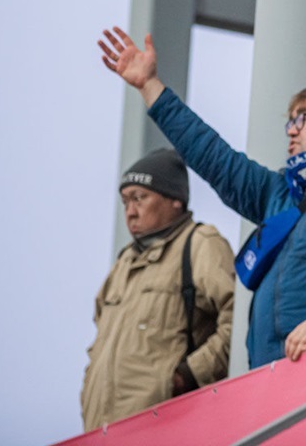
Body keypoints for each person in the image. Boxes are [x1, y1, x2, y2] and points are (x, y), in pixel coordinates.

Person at [97, 27, 306, 367]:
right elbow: (212, 155)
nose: (291, 130)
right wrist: (150, 87)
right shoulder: (280, 194)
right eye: (290, 121)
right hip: (268, 377)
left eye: (302, 119)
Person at [81, 149, 234, 431]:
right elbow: (97, 347)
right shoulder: (124, 263)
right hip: (99, 432)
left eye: (139, 198)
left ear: (175, 199)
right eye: (125, 201)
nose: (130, 211)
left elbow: (237, 319)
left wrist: (187, 375)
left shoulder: (200, 243)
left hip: (164, 427)